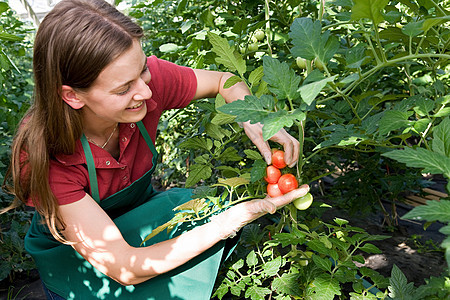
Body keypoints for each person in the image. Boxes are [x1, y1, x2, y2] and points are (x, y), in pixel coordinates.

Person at [2, 0, 309, 299]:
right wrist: (228, 222)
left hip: (138, 220)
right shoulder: (46, 154)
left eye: (144, 71)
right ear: (72, 96)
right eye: (124, 88)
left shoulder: (143, 85)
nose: (146, 92)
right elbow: (125, 267)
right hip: (77, 259)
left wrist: (251, 114)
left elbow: (223, 80)